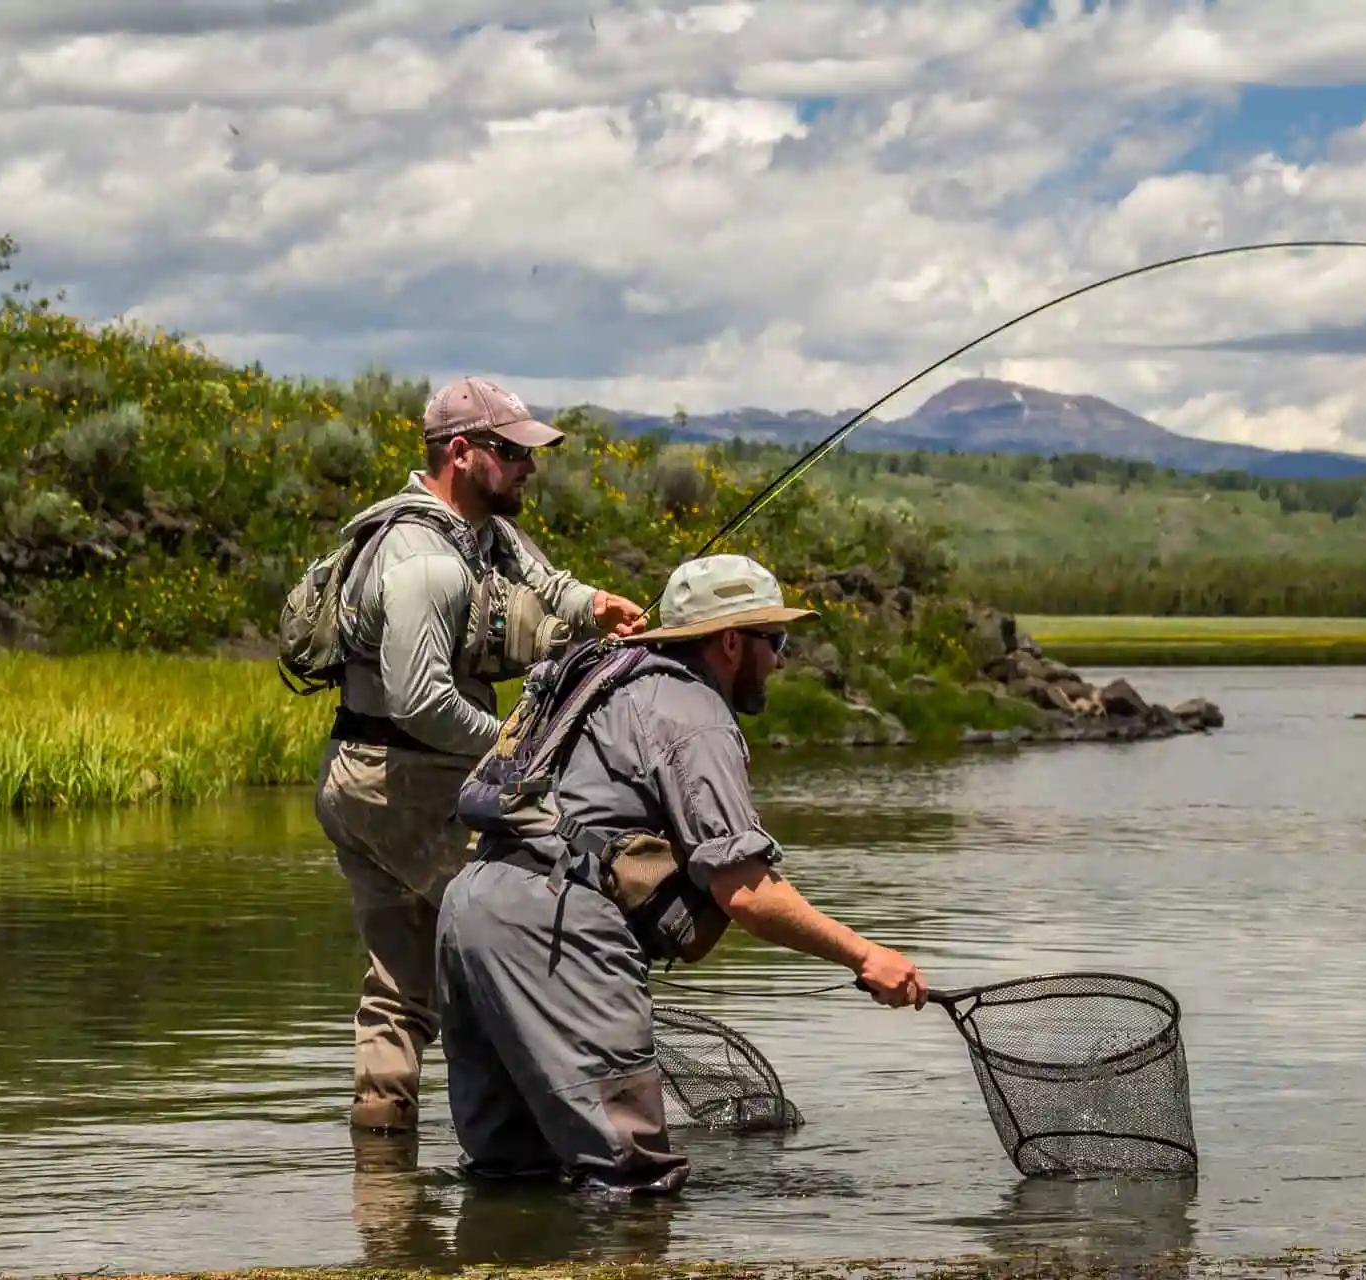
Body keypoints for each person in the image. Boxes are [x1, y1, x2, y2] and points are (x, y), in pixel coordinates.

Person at [433, 553, 928, 1195]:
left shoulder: (602, 676)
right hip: (556, 927)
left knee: (510, 1176)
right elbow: (746, 891)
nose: (781, 658)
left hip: (472, 904)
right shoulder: (692, 710)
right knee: (631, 1182)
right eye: (773, 640)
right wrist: (865, 955)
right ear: (729, 641)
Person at [314, 374, 649, 1134]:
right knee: (526, 923)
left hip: (370, 778)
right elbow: (421, 702)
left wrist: (597, 607)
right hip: (394, 783)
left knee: (401, 984)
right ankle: (556, 1134)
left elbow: (546, 583)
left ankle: (384, 1187)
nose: (530, 467)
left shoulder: (484, 534)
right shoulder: (422, 561)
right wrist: (517, 750)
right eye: (514, 453)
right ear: (462, 453)